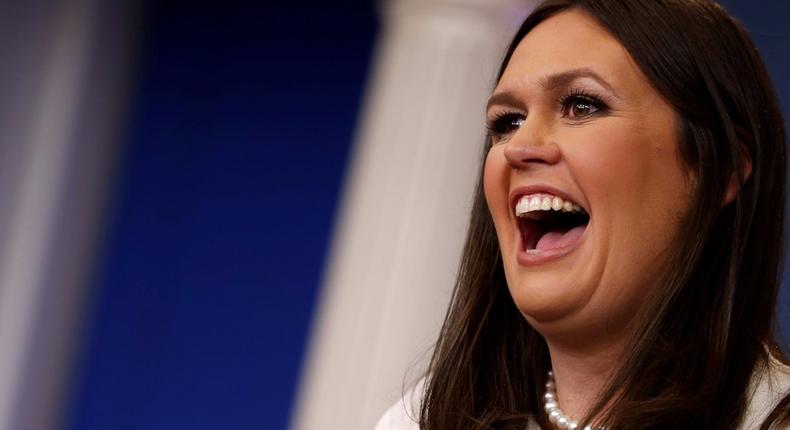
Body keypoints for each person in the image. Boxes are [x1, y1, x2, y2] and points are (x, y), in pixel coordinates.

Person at [375, 0, 790, 429]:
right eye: (508, 122)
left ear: (715, 169)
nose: (518, 148)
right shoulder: (415, 420)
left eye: (582, 105)